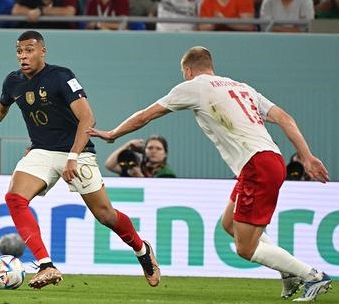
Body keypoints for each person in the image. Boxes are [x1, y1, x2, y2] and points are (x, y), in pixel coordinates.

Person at [87, 46, 332, 302]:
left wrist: (113, 134)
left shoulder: (194, 86)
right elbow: (286, 118)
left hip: (257, 165)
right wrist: (306, 156)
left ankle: (312, 275)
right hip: (269, 159)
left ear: (188, 70)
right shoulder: (243, 88)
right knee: (229, 224)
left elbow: (145, 116)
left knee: (245, 248)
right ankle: (288, 272)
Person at [0, 30, 160, 290]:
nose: (23, 56)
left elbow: (88, 119)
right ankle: (46, 265)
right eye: (19, 51)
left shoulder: (61, 76)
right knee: (14, 198)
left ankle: (142, 251)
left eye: (29, 50)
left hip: (78, 151)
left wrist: (73, 157)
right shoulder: (13, 82)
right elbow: (0, 109)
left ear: (43, 51)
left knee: (105, 215)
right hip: (41, 151)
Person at [105, 136, 176, 177]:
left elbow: (158, 194)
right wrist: (128, 144)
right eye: (150, 148)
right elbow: (110, 165)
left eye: (158, 149)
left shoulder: (167, 174)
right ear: (144, 151)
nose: (154, 151)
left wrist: (140, 177)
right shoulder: (138, 167)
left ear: (165, 153)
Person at [11, 0, 81, 29]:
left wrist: (41, 11)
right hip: (32, 35)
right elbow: (16, 10)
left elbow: (69, 12)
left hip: (60, 36)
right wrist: (32, 12)